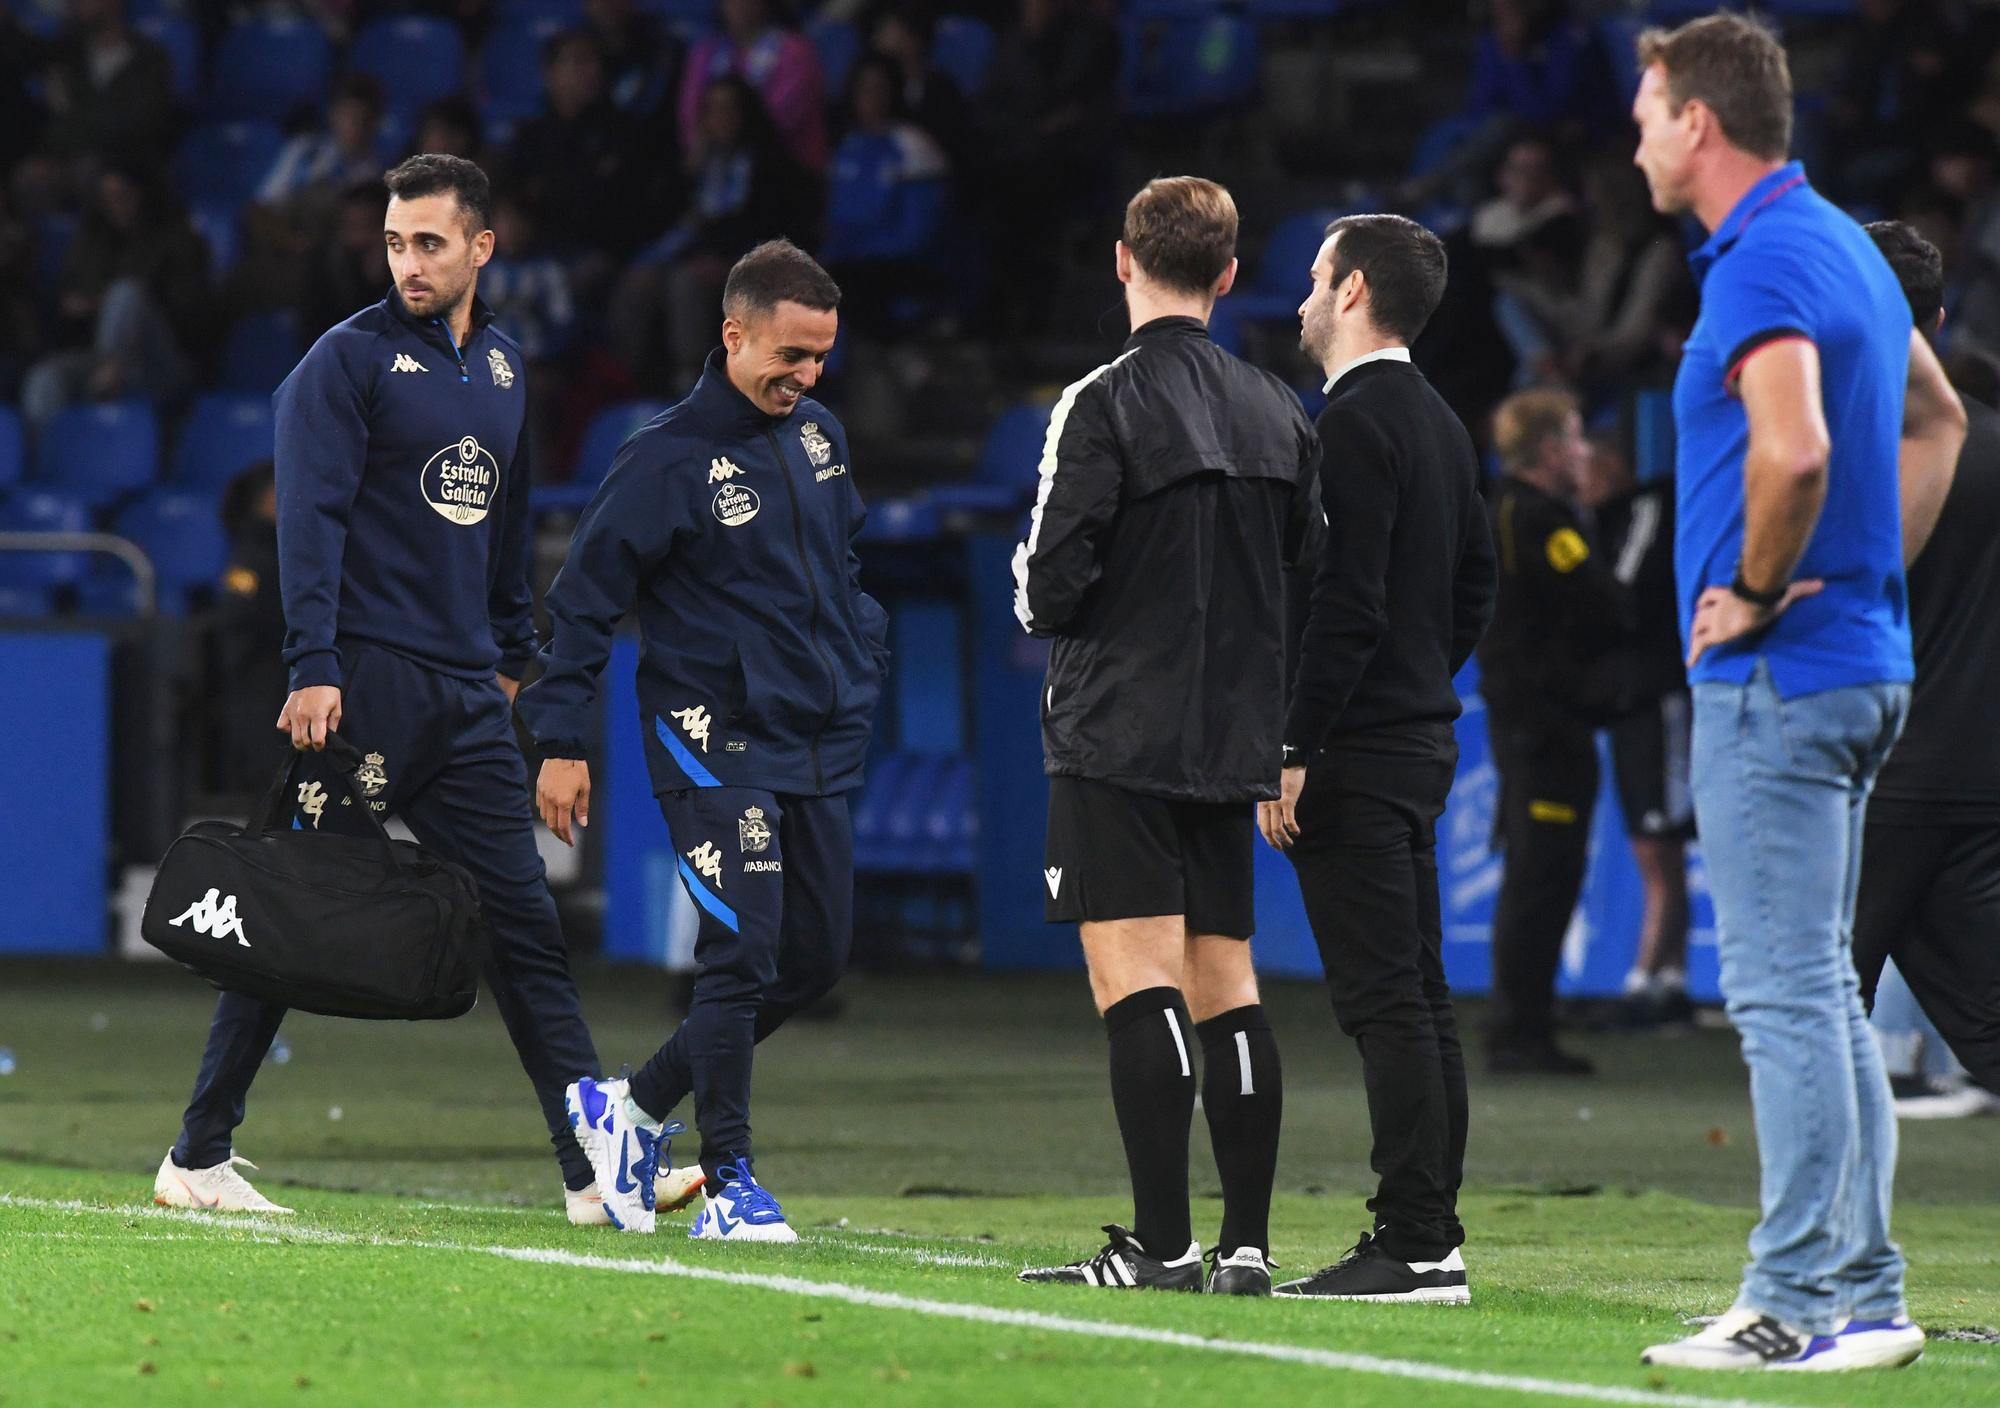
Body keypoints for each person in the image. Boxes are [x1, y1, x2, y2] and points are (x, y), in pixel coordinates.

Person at [152, 155, 610, 1227]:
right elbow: (303, 518)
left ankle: (594, 1170)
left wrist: (509, 651)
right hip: (365, 682)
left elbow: (507, 515)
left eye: (430, 243)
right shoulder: (342, 362)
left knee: (523, 922)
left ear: (481, 248)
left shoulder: (502, 364)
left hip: (464, 693)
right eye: (397, 243)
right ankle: (197, 1152)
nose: (408, 261)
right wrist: (312, 663)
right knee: (292, 910)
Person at [1628, 16, 1966, 1371]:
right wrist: (1871, 574)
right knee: (1822, 991)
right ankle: (1869, 1299)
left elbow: (1796, 446)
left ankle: (1788, 1303)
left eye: (1649, 112)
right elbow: (1938, 420)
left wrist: (1767, 588)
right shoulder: (1838, 241)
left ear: (1700, 124)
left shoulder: (1763, 257)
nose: (1640, 136)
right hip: (1860, 665)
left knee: (1782, 994)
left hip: (1777, 674)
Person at [519, 239, 889, 1241]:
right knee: (744, 950)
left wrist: (862, 648)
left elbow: (840, 563)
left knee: (810, 962)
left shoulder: (818, 437)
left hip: (809, 736)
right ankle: (729, 1183)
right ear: (733, 334)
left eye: (820, 358)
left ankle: (630, 1109)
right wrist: (559, 740)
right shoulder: (663, 457)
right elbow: (583, 604)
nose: (807, 378)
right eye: (790, 355)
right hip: (708, 737)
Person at [1011, 177, 1320, 1296]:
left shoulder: (1100, 401)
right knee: (1224, 978)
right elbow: (1307, 575)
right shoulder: (1277, 406)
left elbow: (1047, 585)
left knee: (1132, 978)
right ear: (1230, 276)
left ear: (1120, 260)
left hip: (1117, 731)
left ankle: (1158, 1244)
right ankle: (1244, 1244)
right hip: (1230, 733)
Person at [1257, 214, 1494, 1303]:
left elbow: (1342, 602)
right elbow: (1476, 580)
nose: (1301, 299)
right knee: (1418, 994)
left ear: (1352, 291)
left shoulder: (1348, 423)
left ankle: (1410, 1241)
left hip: (1352, 749)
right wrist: (1416, 677)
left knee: (1384, 1002)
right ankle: (1428, 1235)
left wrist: (1297, 743)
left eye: (1313, 278)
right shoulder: (1441, 419)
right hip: (1415, 737)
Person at [1850, 220, 2000, 1107]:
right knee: (1988, 1017)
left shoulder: (1830, 453)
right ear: (1937, 321)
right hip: (1981, 780)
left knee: (1813, 1010)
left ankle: (1821, 1242)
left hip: (1873, 777)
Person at [1477, 388, 1627, 1075]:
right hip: (1546, 728)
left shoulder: (1503, 511)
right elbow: (1601, 605)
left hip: (1529, 725)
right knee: (1541, 878)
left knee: (1538, 874)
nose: (1585, 452)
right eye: (1573, 438)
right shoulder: (1539, 520)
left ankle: (1524, 1020)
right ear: (1545, 451)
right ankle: (1518, 1032)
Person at [1578, 436, 1694, 1027]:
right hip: (1631, 703)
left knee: (1660, 844)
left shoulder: (1651, 506)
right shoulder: (1604, 519)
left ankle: (1646, 980)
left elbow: (1619, 596)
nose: (1586, 477)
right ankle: (1667, 981)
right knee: (1654, 845)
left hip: (1659, 698)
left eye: (1595, 462)